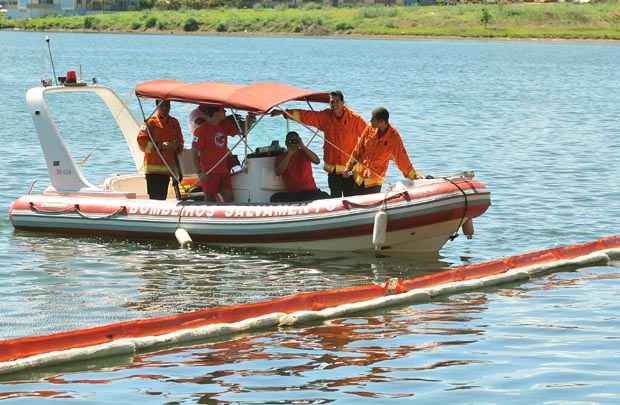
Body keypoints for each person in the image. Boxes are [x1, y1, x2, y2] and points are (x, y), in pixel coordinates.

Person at [271, 90, 367, 198]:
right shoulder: (325, 117)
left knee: (352, 200)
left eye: (337, 101)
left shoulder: (355, 119)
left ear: (343, 102)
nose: (334, 104)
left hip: (349, 171)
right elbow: (306, 115)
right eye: (332, 102)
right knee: (335, 202)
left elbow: (369, 138)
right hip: (333, 172)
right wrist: (284, 112)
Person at [344, 107, 423, 195]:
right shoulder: (369, 128)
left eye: (373, 119)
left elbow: (402, 159)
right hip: (357, 178)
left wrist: (414, 176)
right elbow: (358, 150)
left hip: (374, 182)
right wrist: (348, 167)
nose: (370, 121)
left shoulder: (394, 137)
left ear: (382, 122)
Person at [191, 106, 252, 202]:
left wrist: (250, 119)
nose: (225, 111)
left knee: (230, 198)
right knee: (210, 199)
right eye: (222, 110)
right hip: (209, 172)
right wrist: (199, 172)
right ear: (216, 113)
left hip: (224, 171)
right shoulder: (201, 131)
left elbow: (242, 130)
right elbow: (193, 152)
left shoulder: (223, 127)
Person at [137, 100, 184, 200]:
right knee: (155, 199)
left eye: (168, 105)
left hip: (167, 169)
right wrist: (160, 146)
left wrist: (176, 146)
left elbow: (180, 143)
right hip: (153, 170)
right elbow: (142, 143)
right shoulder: (149, 122)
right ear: (157, 106)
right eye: (162, 105)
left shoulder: (174, 122)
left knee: (163, 198)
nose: (165, 108)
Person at [270, 131, 329, 203]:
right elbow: (278, 172)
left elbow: (317, 161)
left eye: (295, 140)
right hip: (293, 193)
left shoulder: (304, 152)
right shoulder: (282, 157)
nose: (293, 142)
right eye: (290, 141)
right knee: (274, 198)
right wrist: (289, 154)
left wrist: (303, 146)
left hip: (310, 191)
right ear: (286, 143)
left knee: (325, 196)